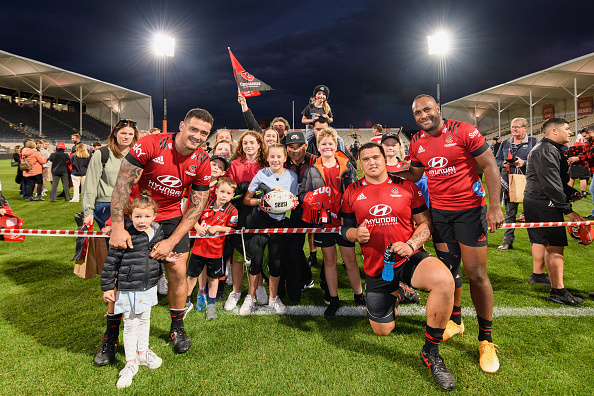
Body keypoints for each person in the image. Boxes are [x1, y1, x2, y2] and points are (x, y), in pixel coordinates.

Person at [397, 94, 504, 373]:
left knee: (476, 274)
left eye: (427, 109)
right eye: (418, 112)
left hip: (470, 212)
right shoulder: (417, 142)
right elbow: (415, 172)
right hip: (440, 216)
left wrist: (495, 208)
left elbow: (490, 166)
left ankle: (486, 340)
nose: (423, 115)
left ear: (438, 109)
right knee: (449, 270)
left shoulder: (464, 131)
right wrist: (391, 170)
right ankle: (455, 321)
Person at [341, 142, 456, 390]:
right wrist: (354, 233)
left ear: (386, 159)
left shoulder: (406, 187)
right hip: (377, 266)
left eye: (376, 157)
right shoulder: (351, 192)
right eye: (365, 159)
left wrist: (412, 244)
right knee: (383, 330)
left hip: (408, 257)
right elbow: (344, 228)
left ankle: (431, 352)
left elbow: (425, 223)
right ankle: (401, 292)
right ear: (359, 163)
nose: (372, 162)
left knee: (445, 282)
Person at [109, 108, 213, 355]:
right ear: (182, 125)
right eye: (194, 129)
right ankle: (110, 335)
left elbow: (195, 209)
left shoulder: (202, 161)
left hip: (169, 216)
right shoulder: (151, 144)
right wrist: (116, 225)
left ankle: (177, 326)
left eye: (204, 133)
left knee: (177, 269)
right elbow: (123, 183)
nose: (197, 136)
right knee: (122, 274)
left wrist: (170, 242)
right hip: (136, 213)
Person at [101, 192, 181, 388]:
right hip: (129, 286)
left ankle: (142, 352)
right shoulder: (125, 234)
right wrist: (108, 287)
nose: (142, 221)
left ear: (154, 216)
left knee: (145, 318)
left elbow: (153, 254)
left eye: (146, 216)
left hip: (149, 284)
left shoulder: (157, 232)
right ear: (130, 216)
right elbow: (111, 262)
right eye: (137, 216)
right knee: (130, 323)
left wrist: (166, 257)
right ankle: (130, 363)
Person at [85, 120, 139, 366]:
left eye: (130, 133)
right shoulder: (103, 154)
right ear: (115, 134)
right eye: (122, 132)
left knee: (133, 265)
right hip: (106, 209)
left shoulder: (139, 154)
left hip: (135, 211)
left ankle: (135, 322)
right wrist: (87, 211)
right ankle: (111, 333)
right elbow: (90, 182)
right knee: (113, 268)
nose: (126, 137)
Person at [299, 128, 364, 319]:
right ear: (318, 147)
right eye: (323, 144)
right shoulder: (312, 170)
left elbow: (356, 191)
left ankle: (359, 295)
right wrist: (316, 199)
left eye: (330, 143)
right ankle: (334, 299)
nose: (327, 146)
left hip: (345, 220)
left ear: (336, 145)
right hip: (324, 222)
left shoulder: (347, 165)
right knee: (329, 260)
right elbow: (303, 195)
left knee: (350, 260)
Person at [524, 118, 585, 306]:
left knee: (550, 243)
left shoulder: (550, 149)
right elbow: (550, 184)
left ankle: (548, 282)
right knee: (555, 245)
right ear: (554, 131)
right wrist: (568, 210)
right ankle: (558, 291)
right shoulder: (546, 150)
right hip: (543, 202)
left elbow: (556, 181)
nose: (570, 132)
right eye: (567, 129)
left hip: (541, 200)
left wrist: (569, 193)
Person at [240, 143, 298, 315]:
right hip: (260, 222)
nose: (275, 160)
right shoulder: (261, 174)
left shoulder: (292, 177)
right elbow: (246, 200)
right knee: (256, 263)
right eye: (272, 156)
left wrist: (289, 203)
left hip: (279, 223)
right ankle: (250, 298)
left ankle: (273, 298)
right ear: (267, 158)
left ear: (285, 158)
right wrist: (262, 202)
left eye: (279, 156)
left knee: (276, 262)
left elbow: (293, 202)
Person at [224, 131, 269, 311]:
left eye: (252, 142)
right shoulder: (235, 164)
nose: (248, 146)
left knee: (258, 251)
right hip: (240, 212)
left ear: (259, 144)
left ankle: (258, 286)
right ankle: (235, 291)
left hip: (261, 212)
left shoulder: (265, 165)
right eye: (245, 143)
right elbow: (229, 189)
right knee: (238, 253)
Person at [186, 177, 238, 320]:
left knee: (213, 278)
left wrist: (218, 228)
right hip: (198, 249)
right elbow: (193, 216)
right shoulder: (206, 203)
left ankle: (211, 306)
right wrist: (196, 226)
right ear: (215, 191)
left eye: (228, 193)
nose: (224, 195)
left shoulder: (232, 211)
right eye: (222, 191)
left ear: (232, 195)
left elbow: (232, 228)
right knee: (191, 276)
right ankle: (185, 302)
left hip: (215, 252)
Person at [495, 117, 538, 252]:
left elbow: (540, 160)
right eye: (512, 127)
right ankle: (507, 241)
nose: (514, 129)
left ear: (525, 128)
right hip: (509, 182)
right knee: (510, 213)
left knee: (532, 214)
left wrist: (524, 162)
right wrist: (504, 164)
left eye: (517, 127)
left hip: (529, 181)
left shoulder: (534, 142)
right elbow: (496, 160)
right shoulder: (506, 143)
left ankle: (535, 243)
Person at [283, 130, 316, 299]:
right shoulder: (284, 163)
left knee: (328, 250)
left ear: (305, 145)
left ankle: (327, 286)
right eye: (291, 147)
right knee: (293, 245)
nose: (295, 150)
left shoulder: (315, 160)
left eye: (298, 146)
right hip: (297, 211)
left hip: (319, 210)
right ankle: (306, 278)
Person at [568, 125, 594, 219]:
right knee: (590, 187)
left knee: (592, 189)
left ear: (590, 133)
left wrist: (577, 158)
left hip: (581, 167)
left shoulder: (586, 144)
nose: (585, 138)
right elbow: (587, 155)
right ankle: (583, 193)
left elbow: (591, 156)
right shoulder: (588, 143)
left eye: (585, 136)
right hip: (588, 168)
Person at [566, 131, 589, 197]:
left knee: (572, 178)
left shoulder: (573, 146)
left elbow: (568, 156)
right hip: (584, 165)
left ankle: (569, 190)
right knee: (583, 178)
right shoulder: (586, 146)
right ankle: (583, 192)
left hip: (574, 165)